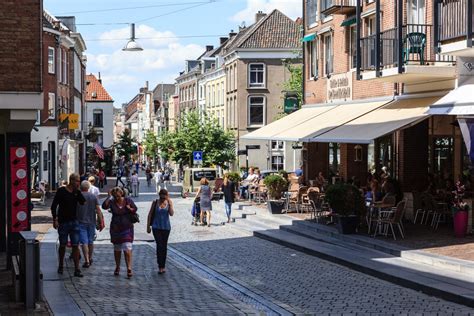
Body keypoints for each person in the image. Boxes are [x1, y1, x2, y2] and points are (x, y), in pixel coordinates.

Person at [51, 173, 86, 277]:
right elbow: (54, 205)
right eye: (77, 181)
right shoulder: (61, 191)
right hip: (63, 222)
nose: (78, 183)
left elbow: (83, 202)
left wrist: (78, 191)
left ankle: (77, 269)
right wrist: (55, 219)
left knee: (75, 245)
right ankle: (61, 265)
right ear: (72, 181)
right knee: (63, 245)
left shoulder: (76, 191)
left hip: (74, 222)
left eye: (79, 181)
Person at [102, 187, 138, 278]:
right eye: (115, 196)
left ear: (121, 194)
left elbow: (135, 209)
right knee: (117, 249)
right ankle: (117, 266)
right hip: (116, 228)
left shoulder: (128, 200)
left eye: (118, 196)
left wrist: (130, 209)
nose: (117, 198)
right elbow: (104, 206)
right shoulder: (112, 201)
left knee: (127, 247)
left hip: (127, 227)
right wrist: (109, 197)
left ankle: (129, 268)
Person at [76, 180, 104, 268]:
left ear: (81, 187)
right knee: (90, 241)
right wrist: (100, 221)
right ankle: (90, 257)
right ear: (88, 187)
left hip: (80, 221)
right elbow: (98, 210)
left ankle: (87, 260)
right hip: (91, 222)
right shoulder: (93, 197)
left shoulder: (78, 196)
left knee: (84, 242)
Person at [147, 189, 174, 274]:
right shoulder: (155, 202)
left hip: (166, 228)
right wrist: (148, 226)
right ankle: (160, 266)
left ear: (166, 196)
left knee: (164, 246)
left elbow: (171, 213)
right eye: (161, 197)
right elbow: (150, 214)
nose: (162, 199)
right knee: (159, 245)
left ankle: (163, 266)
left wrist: (169, 204)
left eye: (164, 197)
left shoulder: (169, 202)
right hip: (156, 227)